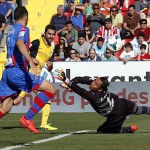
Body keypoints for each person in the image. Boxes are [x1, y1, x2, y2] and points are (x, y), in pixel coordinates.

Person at [0, 6, 56, 134]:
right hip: (17, 72)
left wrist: (30, 58)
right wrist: (30, 61)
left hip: (7, 72)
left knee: (6, 107)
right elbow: (20, 43)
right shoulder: (23, 29)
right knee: (51, 89)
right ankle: (27, 118)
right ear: (26, 17)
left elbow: (15, 49)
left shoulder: (10, 30)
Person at [53, 69, 150, 134]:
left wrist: (66, 80)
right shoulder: (98, 85)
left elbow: (79, 90)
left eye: (95, 84)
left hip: (116, 114)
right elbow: (80, 79)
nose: (92, 84)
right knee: (138, 109)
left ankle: (127, 129)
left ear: (100, 89)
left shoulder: (94, 96)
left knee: (101, 131)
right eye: (94, 81)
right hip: (121, 102)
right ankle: (127, 116)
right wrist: (68, 84)